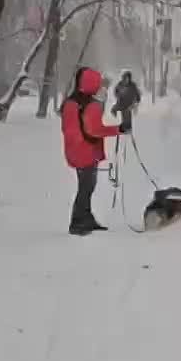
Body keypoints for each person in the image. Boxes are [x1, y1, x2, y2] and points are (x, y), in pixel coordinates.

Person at [61, 66, 127, 235]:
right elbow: (94, 130)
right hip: (87, 151)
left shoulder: (70, 102)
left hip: (73, 150)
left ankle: (85, 218)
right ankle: (77, 222)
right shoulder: (91, 105)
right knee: (87, 187)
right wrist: (118, 129)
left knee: (85, 186)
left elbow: (69, 128)